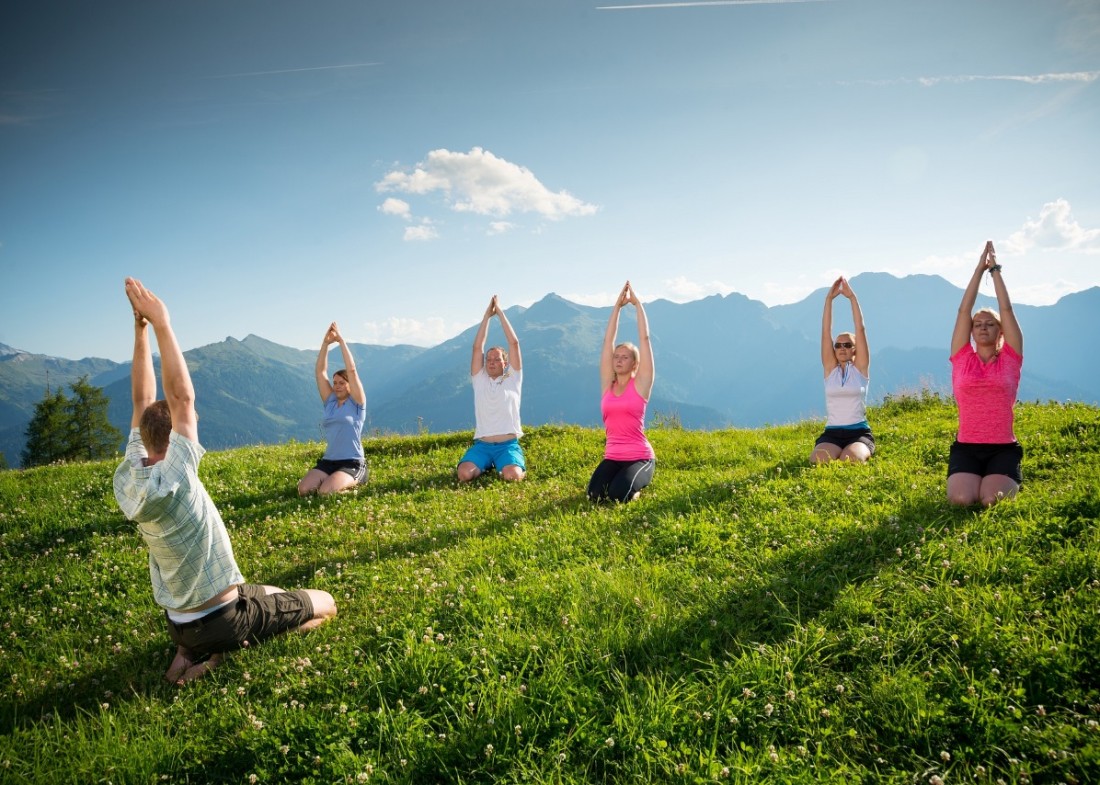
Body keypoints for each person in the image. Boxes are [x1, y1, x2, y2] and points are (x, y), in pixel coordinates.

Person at [114, 278, 336, 685]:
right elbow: (180, 399)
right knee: (326, 604)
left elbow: (141, 402)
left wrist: (139, 331)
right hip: (221, 619)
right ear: (175, 439)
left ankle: (188, 652)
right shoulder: (177, 476)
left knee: (265, 589)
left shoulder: (133, 476)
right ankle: (221, 657)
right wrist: (161, 323)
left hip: (179, 623)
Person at [947, 240, 1024, 507]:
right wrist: (978, 270)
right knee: (961, 499)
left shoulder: (1011, 359)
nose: (982, 327)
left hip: (1002, 448)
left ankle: (1003, 477)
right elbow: (962, 311)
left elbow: (1007, 310)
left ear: (1000, 331)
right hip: (966, 447)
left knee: (990, 500)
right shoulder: (962, 358)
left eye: (990, 324)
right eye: (978, 325)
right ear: (971, 331)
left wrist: (995, 271)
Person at [587, 280, 656, 503]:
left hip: (640, 457)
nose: (618, 359)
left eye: (624, 357)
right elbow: (608, 341)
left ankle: (635, 485)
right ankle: (621, 481)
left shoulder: (641, 384)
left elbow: (644, 339)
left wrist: (637, 305)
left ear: (635, 363)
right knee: (594, 495)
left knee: (618, 495)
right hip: (613, 456)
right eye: (616, 356)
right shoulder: (609, 384)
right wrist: (616, 307)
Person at [457, 295, 526, 482]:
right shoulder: (480, 379)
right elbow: (477, 346)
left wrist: (500, 313)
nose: (492, 362)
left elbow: (514, 343)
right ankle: (488, 464)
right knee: (464, 474)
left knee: (513, 476)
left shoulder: (513, 378)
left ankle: (505, 465)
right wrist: (487, 316)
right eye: (489, 359)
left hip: (508, 445)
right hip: (483, 446)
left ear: (505, 363)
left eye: (497, 359)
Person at [297, 322, 368, 495]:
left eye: (342, 383)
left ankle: (356, 481)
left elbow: (351, 370)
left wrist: (341, 341)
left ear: (350, 385)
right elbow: (320, 372)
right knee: (304, 490)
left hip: (351, 462)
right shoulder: (330, 402)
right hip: (328, 461)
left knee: (325, 492)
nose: (337, 386)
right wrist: (325, 344)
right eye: (335, 383)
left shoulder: (357, 403)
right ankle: (334, 482)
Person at [810, 277, 874, 464]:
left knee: (851, 459)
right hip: (832, 433)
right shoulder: (830, 370)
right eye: (838, 345)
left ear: (855, 349)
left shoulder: (860, 369)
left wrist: (852, 298)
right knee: (818, 460)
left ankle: (856, 450)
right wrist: (829, 300)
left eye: (847, 344)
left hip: (859, 432)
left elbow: (860, 329)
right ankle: (839, 450)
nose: (842, 348)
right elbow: (825, 332)